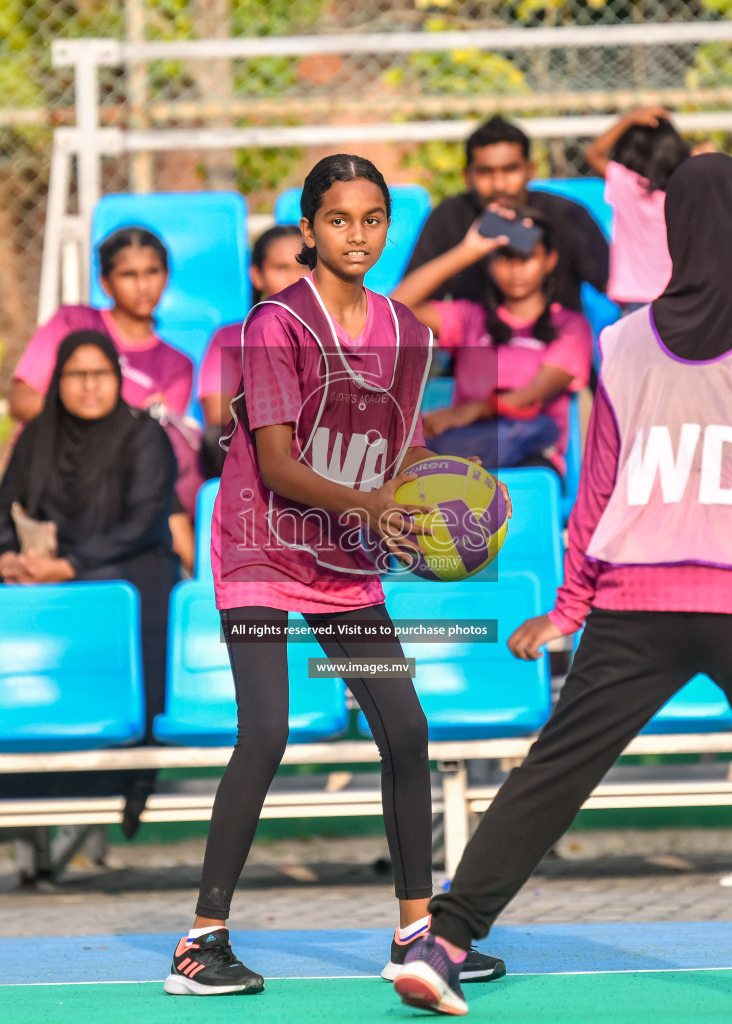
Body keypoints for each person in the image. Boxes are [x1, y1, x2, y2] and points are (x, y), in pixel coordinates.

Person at [392, 155, 732, 1018]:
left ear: (678, 233)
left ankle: (444, 942)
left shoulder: (622, 345)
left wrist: (572, 608)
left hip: (634, 601)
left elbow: (598, 488)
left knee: (557, 768)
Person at [166, 154, 507, 997]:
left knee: (407, 728)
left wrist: (439, 501)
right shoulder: (276, 326)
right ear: (309, 231)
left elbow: (401, 446)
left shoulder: (408, 332)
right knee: (267, 732)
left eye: (373, 218)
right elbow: (278, 466)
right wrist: (377, 508)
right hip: (260, 548)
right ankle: (199, 942)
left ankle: (416, 934)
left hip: (343, 561)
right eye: (339, 219)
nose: (358, 234)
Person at [0, 331, 181, 837]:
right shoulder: (39, 435)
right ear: (58, 381)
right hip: (42, 567)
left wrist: (71, 566)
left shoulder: (143, 435)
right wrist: (8, 557)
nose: (89, 387)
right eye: (76, 376)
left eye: (99, 375)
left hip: (123, 562)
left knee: (138, 605)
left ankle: (132, 773)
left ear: (117, 378)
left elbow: (143, 521)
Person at [9, 227, 200, 569]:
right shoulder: (73, 323)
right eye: (128, 274)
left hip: (123, 478)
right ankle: (202, 582)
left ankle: (199, 590)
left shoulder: (177, 365)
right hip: (59, 464)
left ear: (166, 276)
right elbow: (22, 400)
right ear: (106, 282)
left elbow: (154, 439)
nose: (142, 285)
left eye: (152, 272)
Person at [391, 205, 591, 476]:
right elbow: (394, 308)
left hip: (529, 460)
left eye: (527, 257)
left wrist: (466, 412)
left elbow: (530, 396)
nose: (516, 269)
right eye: (505, 258)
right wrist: (467, 251)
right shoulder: (470, 319)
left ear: (550, 260)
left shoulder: (570, 326)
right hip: (466, 452)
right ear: (490, 263)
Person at [404, 115, 608, 314]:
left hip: (556, 343)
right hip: (478, 344)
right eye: (485, 172)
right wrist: (465, 253)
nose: (499, 185)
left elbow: (615, 287)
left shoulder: (567, 215)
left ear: (530, 170)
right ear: (467, 176)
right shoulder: (449, 217)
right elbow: (401, 308)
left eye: (510, 170)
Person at [198, 224, 306, 478]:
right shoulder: (230, 338)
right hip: (252, 445)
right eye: (281, 268)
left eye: (303, 265)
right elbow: (219, 418)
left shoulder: (335, 334)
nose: (295, 278)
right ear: (257, 275)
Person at [585, 106, 708, 311]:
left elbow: (593, 152)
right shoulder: (687, 189)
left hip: (636, 296)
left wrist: (628, 119)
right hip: (682, 294)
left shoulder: (626, 184)